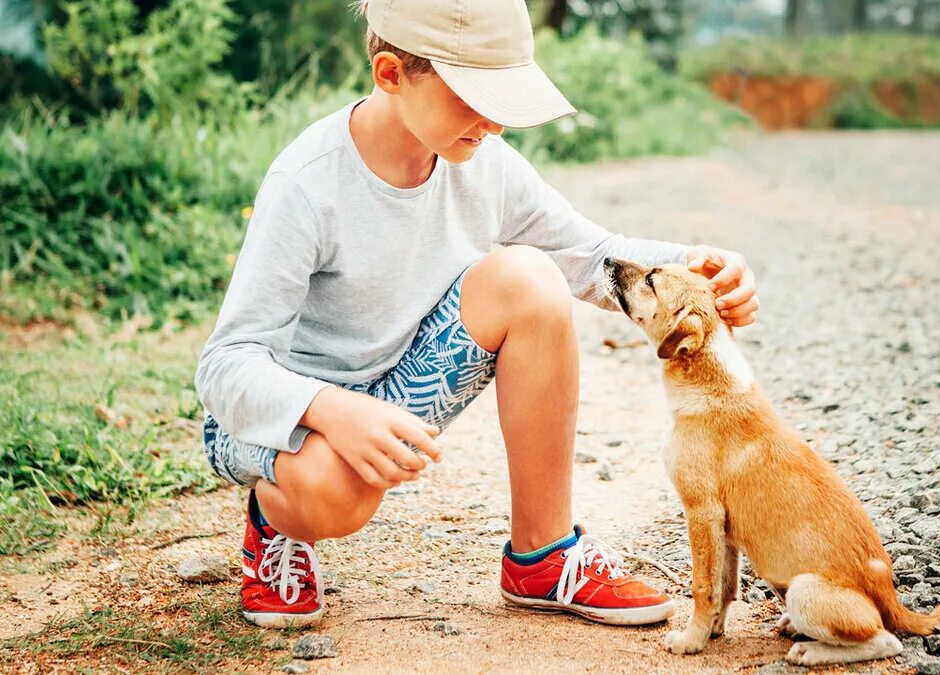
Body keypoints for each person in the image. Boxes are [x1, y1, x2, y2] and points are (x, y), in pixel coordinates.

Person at [194, 0, 760, 629]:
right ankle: (274, 525)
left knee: (530, 277)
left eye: (506, 97)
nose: (496, 123)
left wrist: (698, 269)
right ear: (390, 73)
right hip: (279, 415)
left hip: (396, 390)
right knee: (335, 494)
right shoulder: (308, 183)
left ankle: (542, 557)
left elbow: (590, 256)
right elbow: (224, 367)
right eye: (475, 96)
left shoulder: (484, 163)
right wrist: (332, 409)